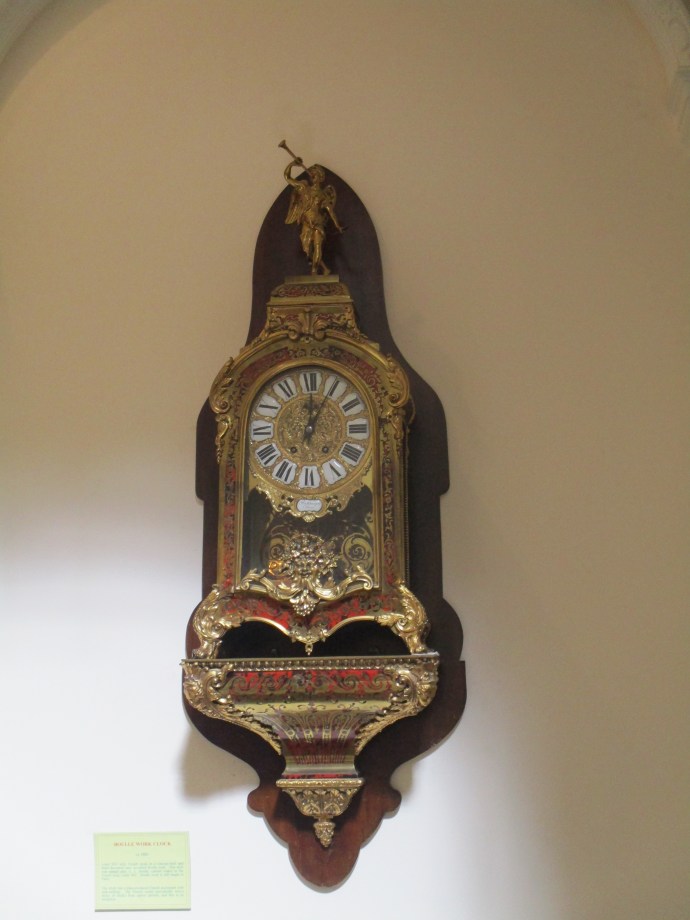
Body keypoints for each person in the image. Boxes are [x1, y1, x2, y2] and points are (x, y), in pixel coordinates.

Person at [284, 159, 344, 275]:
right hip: (307, 224)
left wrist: (337, 225)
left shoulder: (323, 195)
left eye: (315, 174)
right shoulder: (304, 188)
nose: (313, 176)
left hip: (318, 223)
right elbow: (287, 177)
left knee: (317, 246)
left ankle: (314, 271)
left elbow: (330, 212)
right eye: (312, 174)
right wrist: (292, 164)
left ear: (320, 178)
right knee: (307, 249)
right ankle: (324, 269)